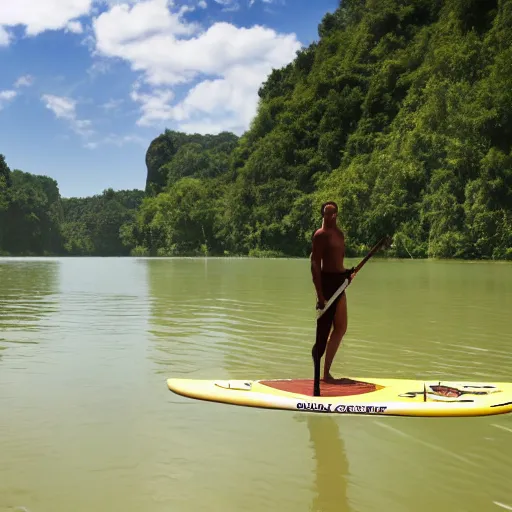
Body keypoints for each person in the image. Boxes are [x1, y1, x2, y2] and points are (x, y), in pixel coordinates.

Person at [310, 201, 354, 395]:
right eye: (328, 214)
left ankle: (327, 372)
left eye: (334, 213)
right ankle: (322, 375)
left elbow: (338, 263)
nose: (332, 217)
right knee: (323, 332)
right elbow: (314, 264)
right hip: (327, 284)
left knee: (342, 327)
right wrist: (319, 294)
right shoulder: (320, 235)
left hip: (339, 282)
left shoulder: (339, 234)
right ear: (323, 215)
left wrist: (347, 274)